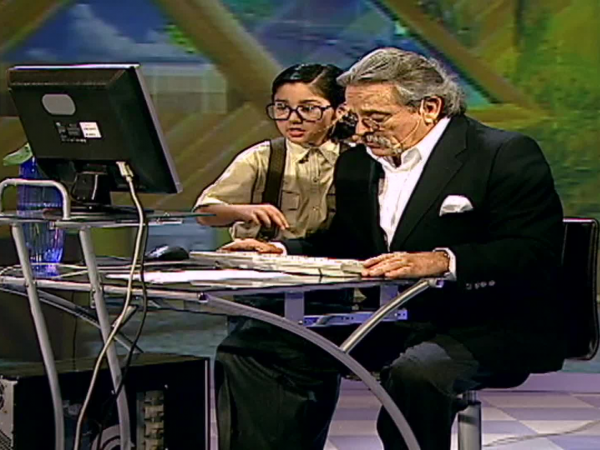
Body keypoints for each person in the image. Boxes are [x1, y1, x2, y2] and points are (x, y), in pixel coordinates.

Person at [221, 47, 566, 450]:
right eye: (354, 117)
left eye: (376, 117)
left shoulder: (501, 154)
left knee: (417, 372)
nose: (362, 131)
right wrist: (283, 251)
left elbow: (533, 251)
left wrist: (441, 261)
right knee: (256, 346)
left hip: (487, 322)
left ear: (429, 108)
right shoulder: (358, 163)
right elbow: (347, 243)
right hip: (388, 318)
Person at [194, 63, 351, 242]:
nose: (293, 119)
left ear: (340, 111)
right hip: (262, 254)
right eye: (282, 107)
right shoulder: (261, 158)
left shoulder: (358, 160)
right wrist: (242, 211)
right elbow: (204, 212)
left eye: (307, 109)